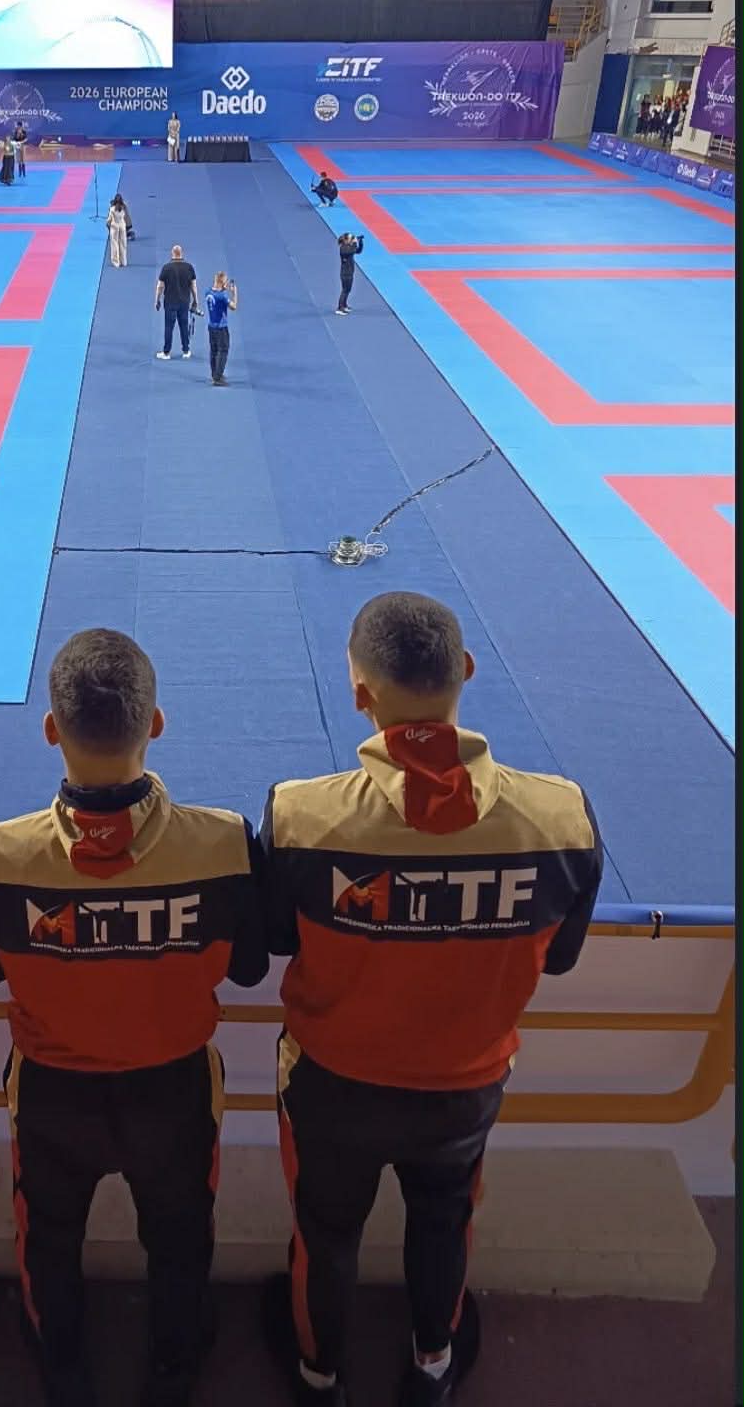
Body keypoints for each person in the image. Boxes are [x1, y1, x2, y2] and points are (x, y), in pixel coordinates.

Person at [258, 591, 603, 1407]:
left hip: (332, 1086)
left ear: (359, 695)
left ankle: (319, 1375)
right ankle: (432, 1367)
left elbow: (273, 940)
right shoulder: (563, 818)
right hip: (464, 1088)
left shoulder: (298, 817)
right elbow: (559, 961)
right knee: (445, 1220)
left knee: (325, 1232)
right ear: (468, 670)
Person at [0, 628, 267, 1407]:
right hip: (175, 1090)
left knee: (49, 1241)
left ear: (50, 729)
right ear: (155, 723)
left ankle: (62, 1371)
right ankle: (174, 1369)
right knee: (181, 1237)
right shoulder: (227, 846)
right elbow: (250, 967)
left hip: (51, 1095)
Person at [154, 245, 199, 360]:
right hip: (184, 302)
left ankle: (166, 352)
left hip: (170, 302)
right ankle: (186, 350)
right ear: (181, 253)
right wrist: (195, 300)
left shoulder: (166, 268)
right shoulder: (189, 267)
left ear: (172, 253)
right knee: (184, 326)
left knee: (169, 327)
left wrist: (157, 300)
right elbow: (193, 286)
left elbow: (160, 286)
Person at [205, 271, 238, 386]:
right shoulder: (222, 296)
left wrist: (223, 288)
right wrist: (234, 293)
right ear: (222, 282)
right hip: (221, 328)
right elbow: (233, 307)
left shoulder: (208, 292)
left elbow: (217, 293)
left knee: (213, 350)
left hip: (211, 326)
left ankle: (214, 373)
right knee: (223, 351)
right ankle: (217, 378)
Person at [336, 231, 364, 316]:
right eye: (351, 238)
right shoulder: (343, 248)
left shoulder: (348, 247)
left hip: (349, 272)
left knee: (348, 290)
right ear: (346, 240)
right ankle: (339, 308)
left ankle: (344, 305)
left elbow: (358, 251)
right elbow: (351, 251)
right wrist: (355, 243)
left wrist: (360, 242)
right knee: (345, 290)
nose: (352, 239)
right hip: (345, 274)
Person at [107, 195, 128, 268]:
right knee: (123, 244)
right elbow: (125, 216)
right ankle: (124, 261)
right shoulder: (124, 207)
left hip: (114, 227)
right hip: (122, 226)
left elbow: (109, 219)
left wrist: (107, 224)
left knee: (114, 244)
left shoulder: (112, 209)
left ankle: (116, 262)